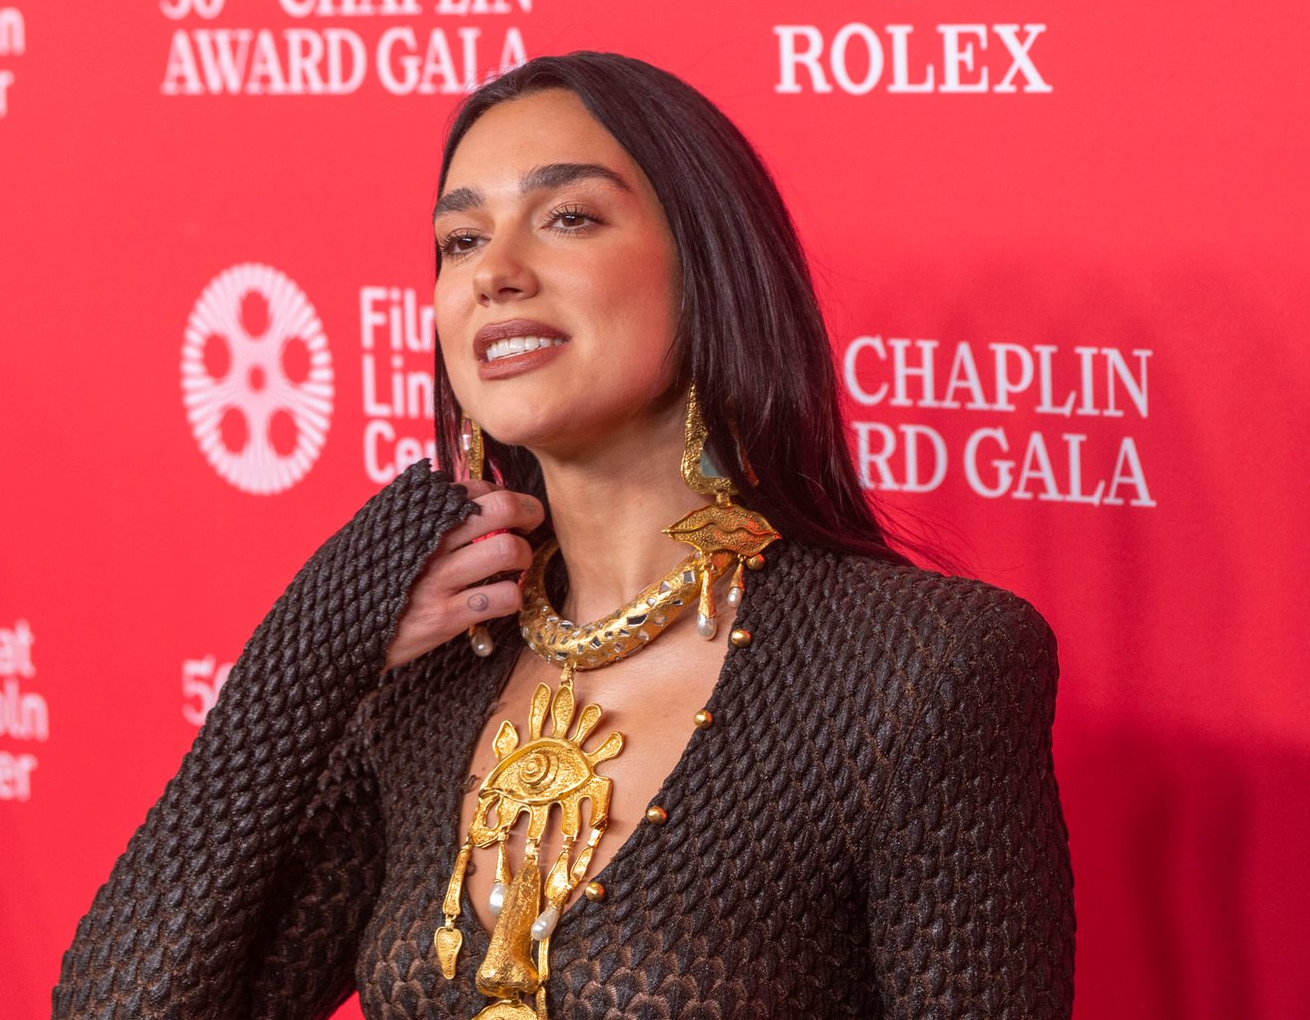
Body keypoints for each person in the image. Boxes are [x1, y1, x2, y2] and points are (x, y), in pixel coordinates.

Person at [52, 51, 1074, 1019]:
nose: (494, 272)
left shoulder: (919, 670)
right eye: (460, 240)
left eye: (568, 217)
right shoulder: (434, 682)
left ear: (708, 267)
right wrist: (310, 650)